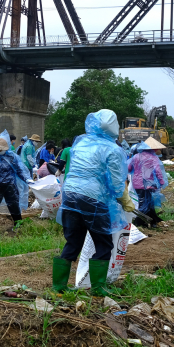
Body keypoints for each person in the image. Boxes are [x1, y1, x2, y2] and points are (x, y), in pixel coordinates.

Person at [52, 109, 132, 297]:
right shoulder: (113, 149)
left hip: (70, 196)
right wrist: (125, 200)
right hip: (93, 199)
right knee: (103, 243)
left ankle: (59, 287)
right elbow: (116, 182)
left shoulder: (81, 142)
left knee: (73, 240)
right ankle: (98, 288)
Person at [127, 137, 168, 225]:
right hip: (148, 184)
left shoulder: (136, 156)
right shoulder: (153, 158)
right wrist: (161, 182)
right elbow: (158, 171)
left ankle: (151, 220)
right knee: (146, 203)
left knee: (144, 202)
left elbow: (129, 168)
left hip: (137, 184)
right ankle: (141, 222)